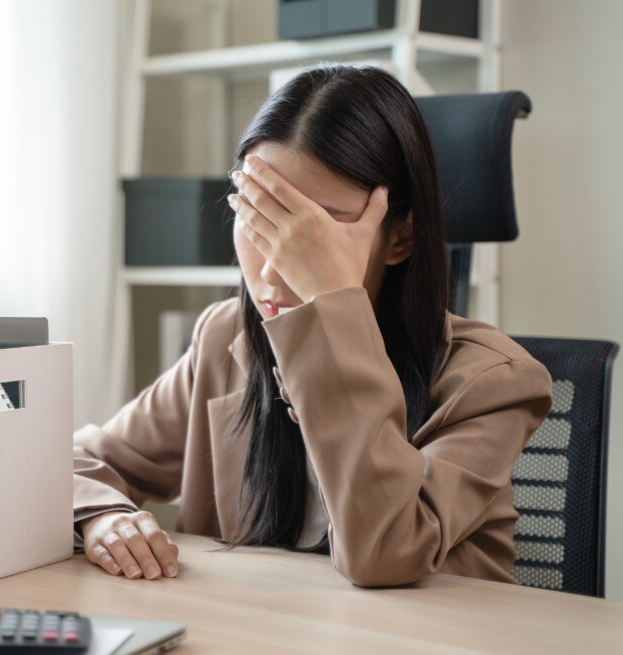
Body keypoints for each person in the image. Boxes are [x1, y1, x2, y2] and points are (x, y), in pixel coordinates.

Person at [72, 65, 552, 587]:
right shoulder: (228, 338)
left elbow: (384, 553)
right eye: (261, 220)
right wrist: (104, 516)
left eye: (314, 233)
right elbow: (76, 461)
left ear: (401, 239)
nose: (276, 268)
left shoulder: (493, 381)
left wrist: (330, 311)